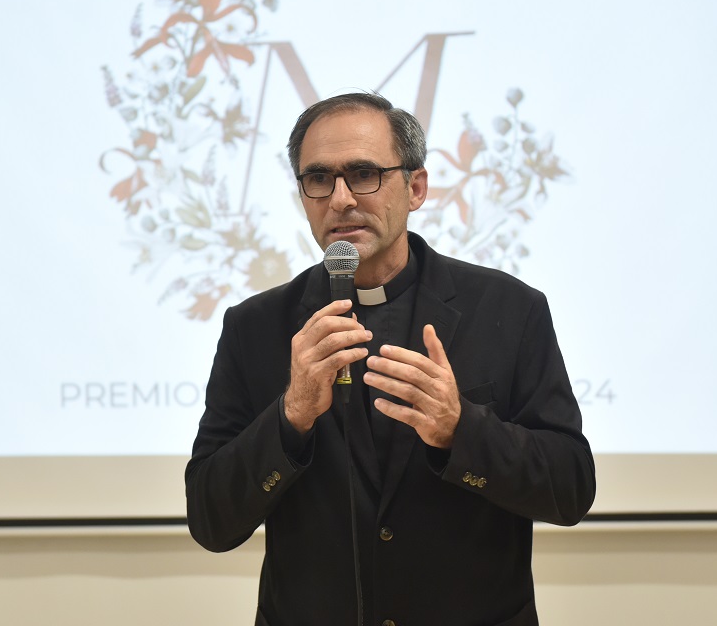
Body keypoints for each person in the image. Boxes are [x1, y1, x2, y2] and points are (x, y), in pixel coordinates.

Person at [185, 91, 595, 626]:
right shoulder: (255, 327)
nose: (340, 200)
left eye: (363, 174)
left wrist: (461, 430)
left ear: (416, 187)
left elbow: (570, 489)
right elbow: (211, 521)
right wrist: (291, 415)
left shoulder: (509, 310)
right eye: (318, 179)